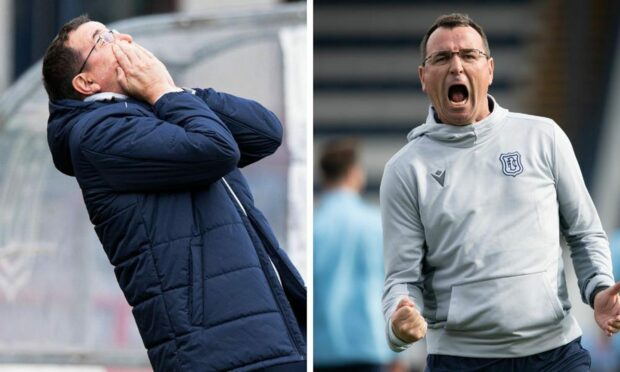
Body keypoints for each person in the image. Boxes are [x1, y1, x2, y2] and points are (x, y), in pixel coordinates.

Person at [43, 15, 306, 372]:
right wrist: (163, 93)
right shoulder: (95, 135)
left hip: (263, 330)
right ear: (86, 82)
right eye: (103, 38)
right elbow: (216, 149)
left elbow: (264, 133)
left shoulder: (156, 108)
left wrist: (172, 92)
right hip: (218, 348)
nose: (124, 39)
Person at [380, 13, 620, 371]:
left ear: (489, 69)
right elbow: (402, 278)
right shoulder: (405, 169)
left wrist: (600, 289)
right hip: (462, 361)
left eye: (469, 55)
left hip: (555, 354)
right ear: (423, 77)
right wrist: (398, 325)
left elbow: (584, 232)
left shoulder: (544, 136)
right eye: (442, 58)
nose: (456, 67)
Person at [314, 139, 395, 372]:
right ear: (354, 173)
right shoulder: (377, 224)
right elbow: (394, 286)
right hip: (370, 344)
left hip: (322, 348)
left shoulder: (314, 225)